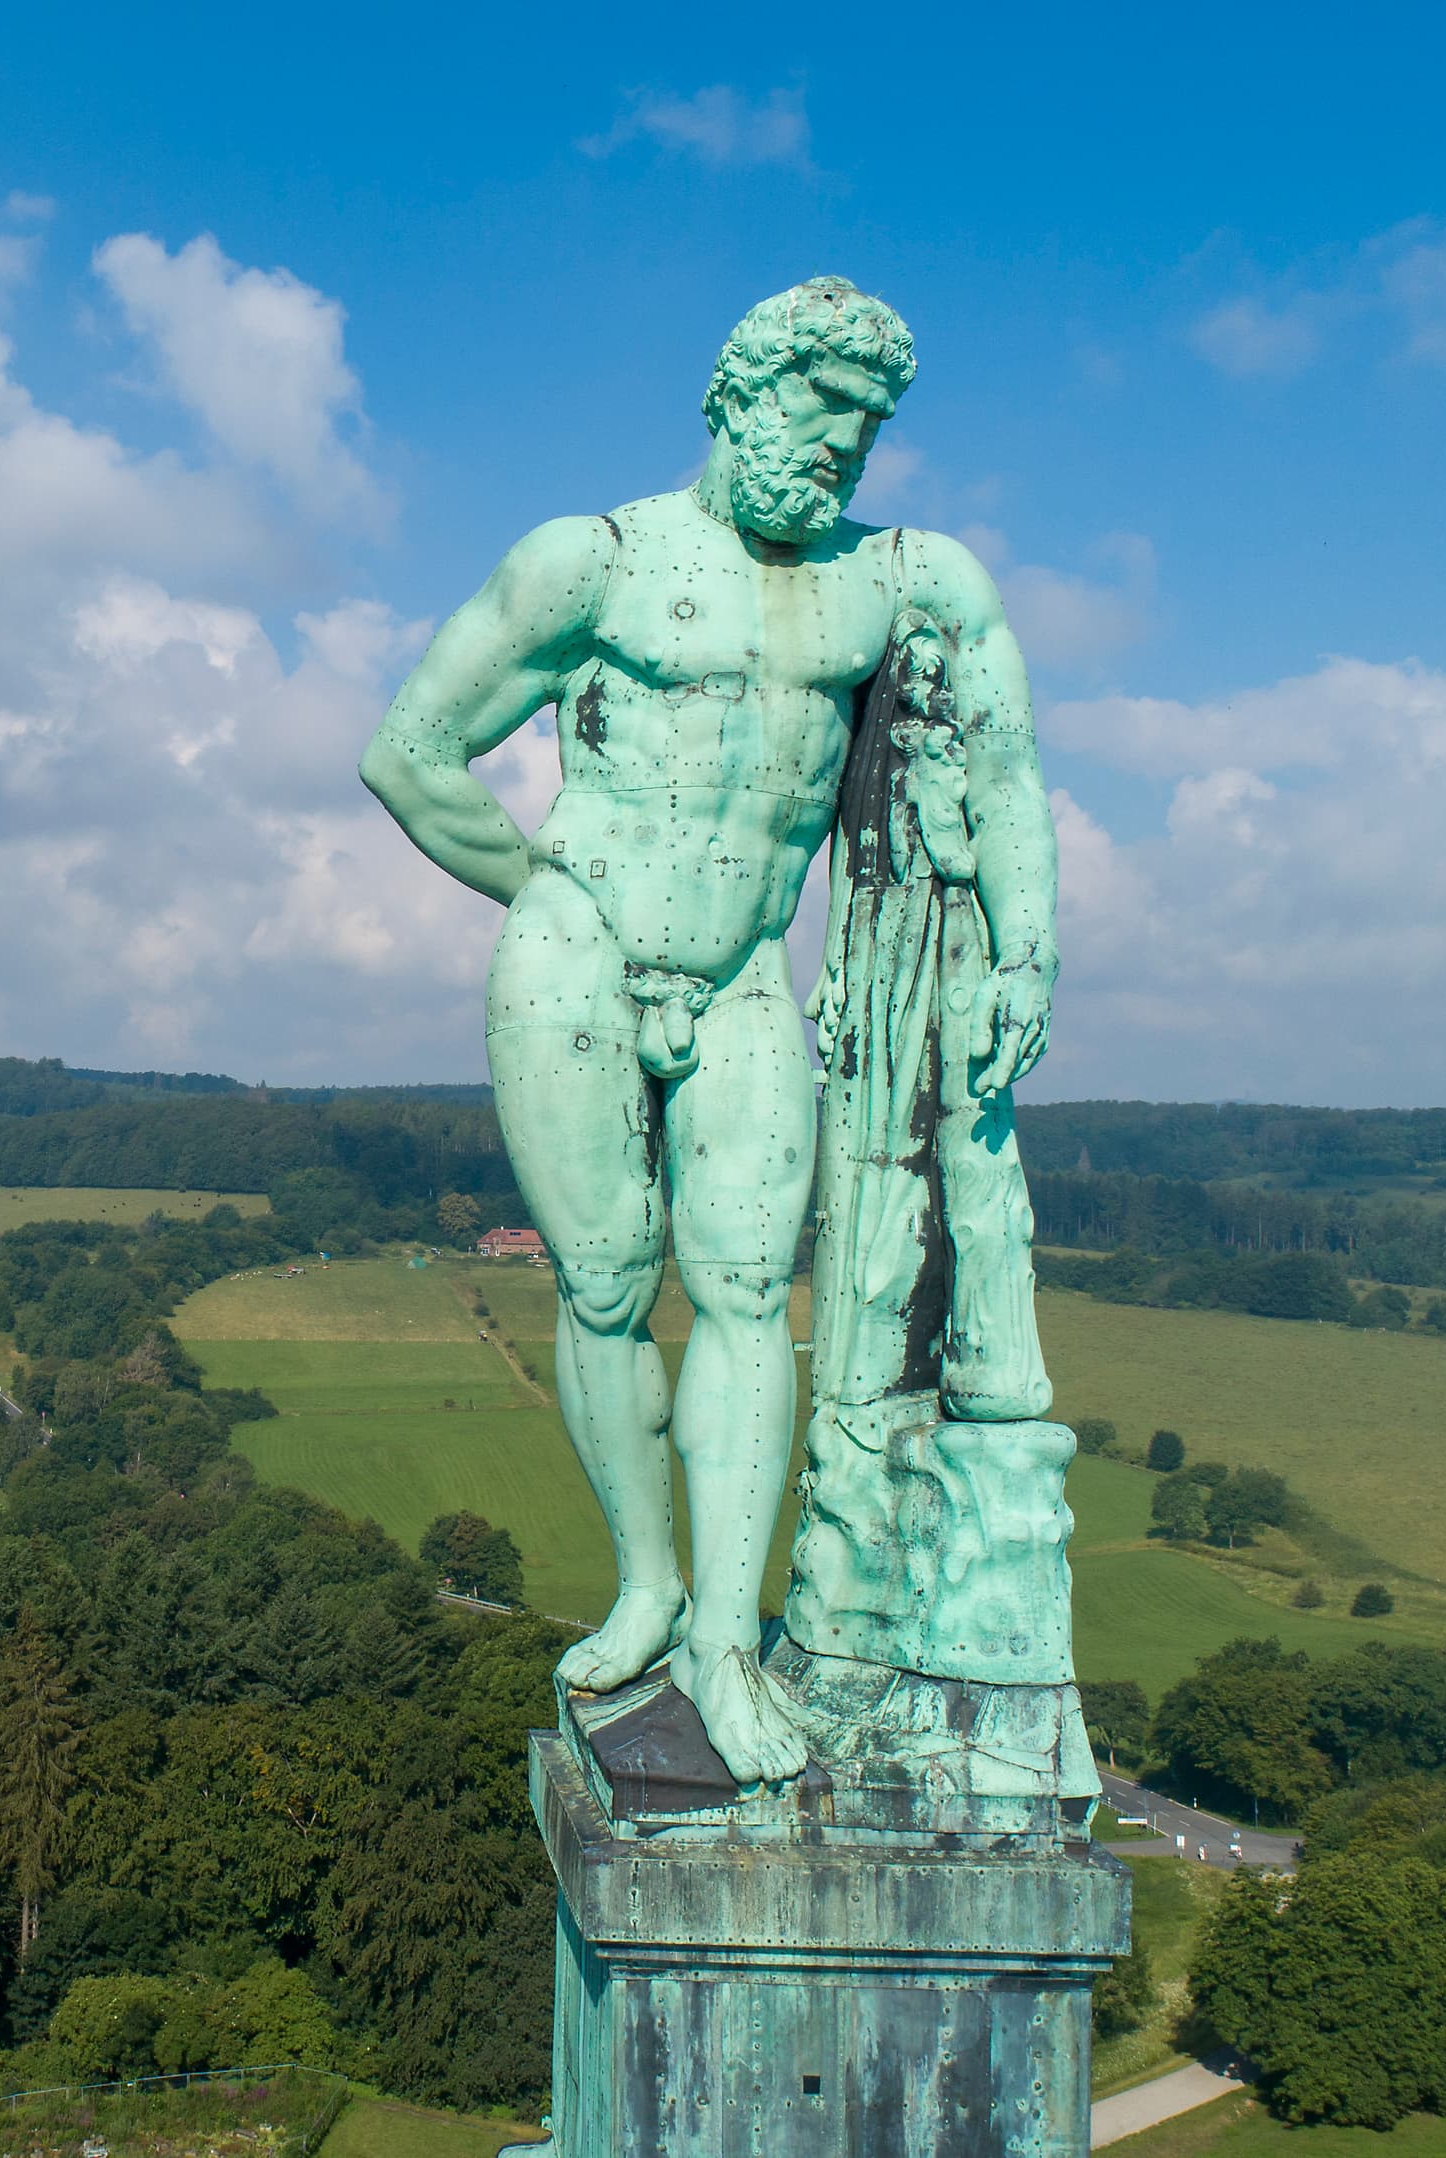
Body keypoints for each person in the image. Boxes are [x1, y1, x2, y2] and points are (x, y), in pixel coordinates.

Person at [361, 278, 1055, 1781]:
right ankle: (647, 1585)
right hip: (580, 957)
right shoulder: (593, 561)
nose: (842, 455)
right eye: (821, 416)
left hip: (745, 969)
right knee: (608, 1280)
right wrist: (546, 890)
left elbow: (1000, 755)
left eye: (867, 435)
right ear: (740, 395)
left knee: (750, 1289)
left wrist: (1026, 941)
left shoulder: (898, 581)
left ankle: (728, 1645)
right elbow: (410, 753)